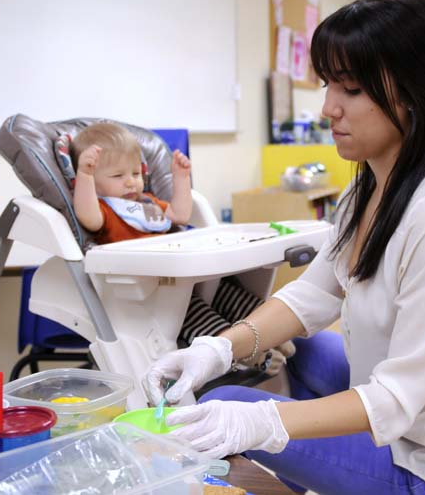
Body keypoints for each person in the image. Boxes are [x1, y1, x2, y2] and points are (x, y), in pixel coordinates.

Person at [144, 0, 425, 495]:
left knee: (239, 402)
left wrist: (261, 424)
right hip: (423, 417)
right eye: (327, 85)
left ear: (411, 91)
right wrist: (215, 348)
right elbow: (314, 294)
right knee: (301, 350)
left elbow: (395, 397)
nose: (327, 108)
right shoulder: (369, 187)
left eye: (351, 89)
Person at [70, 123, 293, 374]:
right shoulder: (106, 211)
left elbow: (180, 214)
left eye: (136, 173)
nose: (131, 182)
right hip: (147, 296)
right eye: (118, 176)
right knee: (194, 314)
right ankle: (248, 354)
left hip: (178, 281)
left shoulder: (147, 204)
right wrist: (85, 177)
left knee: (227, 291)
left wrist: (181, 178)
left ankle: (274, 331)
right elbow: (87, 216)